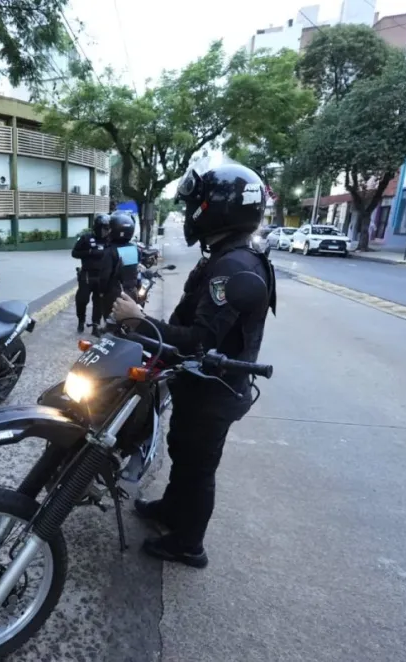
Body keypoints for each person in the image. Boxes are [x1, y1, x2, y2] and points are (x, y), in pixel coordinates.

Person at [110, 162, 276, 569]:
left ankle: (188, 544)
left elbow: (202, 340)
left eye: (195, 205)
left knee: (198, 465)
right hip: (200, 383)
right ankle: (172, 510)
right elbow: (192, 321)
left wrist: (138, 320)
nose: (189, 214)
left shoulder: (235, 265)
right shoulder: (226, 254)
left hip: (215, 389)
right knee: (183, 452)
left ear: (217, 208)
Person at [71, 214, 113, 336]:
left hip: (102, 277)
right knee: (82, 300)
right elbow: (74, 253)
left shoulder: (110, 240)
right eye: (103, 228)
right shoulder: (86, 238)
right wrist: (90, 252)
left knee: (99, 302)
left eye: (107, 228)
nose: (105, 231)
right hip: (87, 275)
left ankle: (95, 326)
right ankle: (81, 320)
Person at [104, 211, 141, 310]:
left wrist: (100, 292)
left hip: (114, 294)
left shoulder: (110, 250)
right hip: (131, 292)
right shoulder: (134, 249)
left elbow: (105, 276)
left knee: (111, 321)